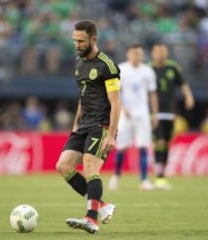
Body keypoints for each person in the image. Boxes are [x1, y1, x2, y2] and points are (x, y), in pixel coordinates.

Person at [55, 20, 121, 234]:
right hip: (83, 125)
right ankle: (101, 205)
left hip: (101, 125)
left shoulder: (107, 65)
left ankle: (91, 219)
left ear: (93, 39)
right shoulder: (78, 64)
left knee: (90, 167)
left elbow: (116, 103)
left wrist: (111, 135)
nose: (77, 44)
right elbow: (83, 97)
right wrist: (75, 123)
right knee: (63, 166)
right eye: (74, 40)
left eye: (81, 41)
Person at [108, 44, 158, 191]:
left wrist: (154, 114)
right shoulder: (121, 69)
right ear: (128, 54)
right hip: (125, 114)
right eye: (133, 53)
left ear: (142, 55)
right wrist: (123, 108)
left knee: (143, 146)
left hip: (142, 113)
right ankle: (116, 176)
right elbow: (116, 92)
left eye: (139, 53)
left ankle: (144, 180)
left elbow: (152, 94)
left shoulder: (148, 71)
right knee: (122, 147)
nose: (136, 56)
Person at [150, 43, 194, 190]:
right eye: (158, 51)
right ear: (153, 53)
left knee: (166, 143)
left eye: (163, 51)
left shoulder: (173, 67)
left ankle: (162, 175)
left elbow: (182, 83)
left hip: (169, 111)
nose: (160, 54)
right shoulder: (148, 69)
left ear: (167, 53)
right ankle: (159, 176)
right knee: (159, 141)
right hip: (153, 113)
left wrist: (188, 96)